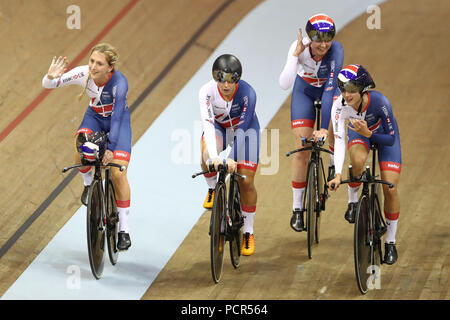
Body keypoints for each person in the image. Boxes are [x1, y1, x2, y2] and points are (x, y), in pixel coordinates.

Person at [42, 43, 132, 251]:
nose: (93, 66)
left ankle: (124, 230)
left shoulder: (120, 82)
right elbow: (48, 85)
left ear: (110, 67)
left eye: (99, 63)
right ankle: (88, 183)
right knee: (80, 149)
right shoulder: (83, 73)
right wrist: (50, 76)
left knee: (118, 174)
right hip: (94, 119)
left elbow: (117, 117)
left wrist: (110, 148)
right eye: (92, 61)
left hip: (118, 124)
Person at [327, 64, 401, 264]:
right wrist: (337, 173)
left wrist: (370, 134)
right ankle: (353, 201)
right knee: (358, 160)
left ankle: (391, 242)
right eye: (343, 89)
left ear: (363, 89)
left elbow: (390, 140)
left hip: (383, 138)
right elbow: (340, 138)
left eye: (351, 90)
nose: (346, 94)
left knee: (390, 188)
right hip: (361, 136)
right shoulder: (339, 105)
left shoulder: (380, 103)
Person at [279, 13, 343, 232]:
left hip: (329, 89)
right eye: (318, 39)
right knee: (301, 148)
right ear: (309, 38)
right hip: (304, 90)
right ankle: (297, 209)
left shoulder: (336, 51)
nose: (323, 44)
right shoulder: (297, 47)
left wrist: (324, 127)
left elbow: (329, 89)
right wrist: (293, 57)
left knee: (334, 122)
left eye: (328, 38)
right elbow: (284, 84)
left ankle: (334, 162)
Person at [199, 54, 260, 256]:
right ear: (215, 77)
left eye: (230, 80)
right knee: (206, 155)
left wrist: (232, 157)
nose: (225, 85)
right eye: (221, 79)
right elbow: (207, 124)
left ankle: (248, 232)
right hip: (219, 127)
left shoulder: (247, 94)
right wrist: (215, 156)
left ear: (237, 79)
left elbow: (242, 130)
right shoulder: (206, 92)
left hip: (245, 129)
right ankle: (212, 190)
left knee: (246, 180)